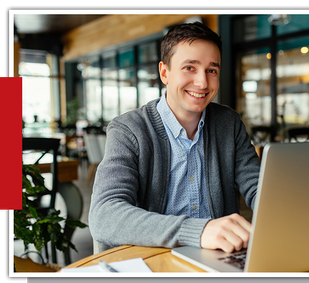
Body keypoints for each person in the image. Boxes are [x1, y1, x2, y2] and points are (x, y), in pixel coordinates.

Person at [88, 21, 260, 254]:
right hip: (154, 260)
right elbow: (105, 215)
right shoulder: (128, 130)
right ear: (164, 73)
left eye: (212, 70)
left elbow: (259, 189)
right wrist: (198, 231)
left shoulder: (228, 124)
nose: (202, 82)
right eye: (190, 67)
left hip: (219, 259)